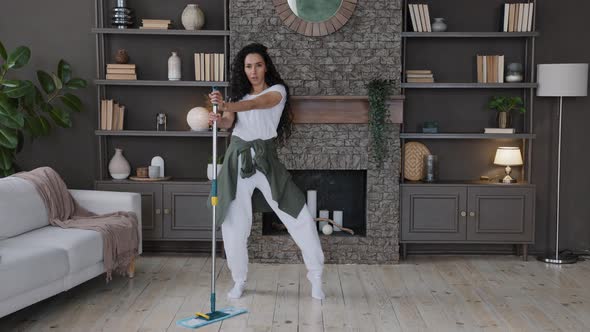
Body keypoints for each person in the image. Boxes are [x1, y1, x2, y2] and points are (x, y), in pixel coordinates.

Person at [208, 43, 325, 300]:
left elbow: (257, 105)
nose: (253, 71)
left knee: (298, 213)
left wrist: (227, 105)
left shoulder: (277, 91)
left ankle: (316, 277)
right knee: (233, 224)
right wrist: (220, 116)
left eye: (258, 65)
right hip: (236, 160)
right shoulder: (238, 97)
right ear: (243, 69)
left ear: (266, 66)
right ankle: (239, 280)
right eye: (248, 66)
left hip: (265, 158)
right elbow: (230, 122)